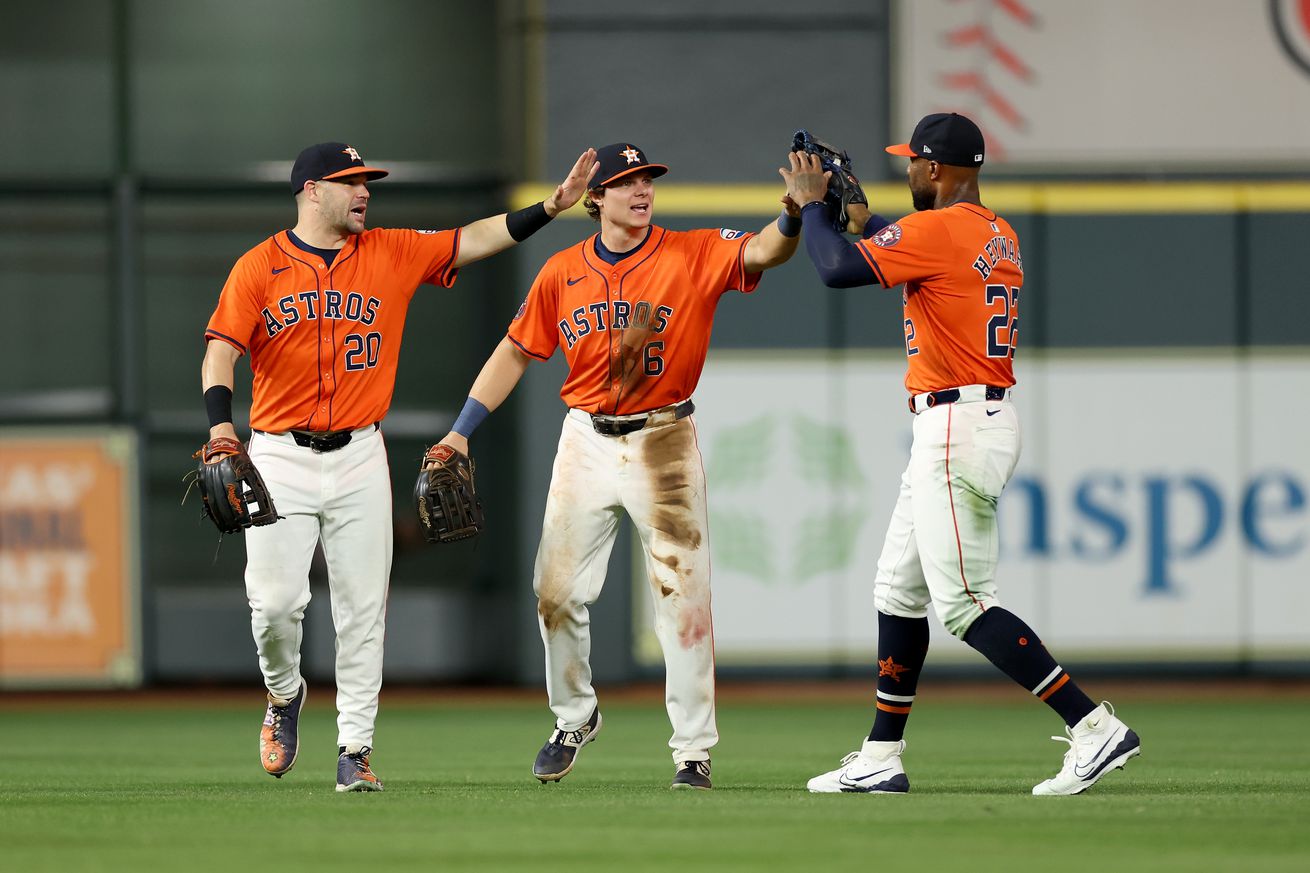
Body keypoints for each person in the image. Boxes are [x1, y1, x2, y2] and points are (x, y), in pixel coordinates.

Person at [200, 141, 598, 792]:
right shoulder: (260, 266)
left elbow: (472, 240)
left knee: (362, 611)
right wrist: (221, 425)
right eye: (349, 182)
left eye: (367, 183)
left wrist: (552, 206)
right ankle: (283, 694)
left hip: (359, 451)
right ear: (310, 192)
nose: (364, 192)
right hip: (277, 450)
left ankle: (355, 748)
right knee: (274, 607)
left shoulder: (390, 250)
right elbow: (222, 352)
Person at [781, 113, 1141, 795]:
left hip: (957, 425)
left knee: (966, 603)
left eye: (913, 163)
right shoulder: (993, 230)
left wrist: (812, 208)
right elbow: (912, 238)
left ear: (938, 171)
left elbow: (833, 269)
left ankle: (1093, 726)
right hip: (971, 417)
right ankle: (882, 755)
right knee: (897, 587)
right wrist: (857, 213)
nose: (907, 171)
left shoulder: (937, 230)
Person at [432, 142, 801, 790]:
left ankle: (693, 750)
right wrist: (460, 432)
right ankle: (575, 715)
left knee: (684, 599)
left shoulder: (691, 252)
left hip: (665, 437)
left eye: (647, 179)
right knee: (555, 592)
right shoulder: (561, 270)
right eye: (625, 181)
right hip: (588, 439)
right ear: (595, 197)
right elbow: (516, 352)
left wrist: (795, 213)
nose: (640, 189)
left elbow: (764, 250)